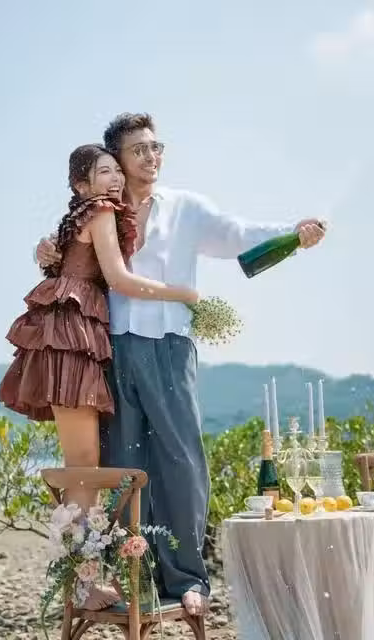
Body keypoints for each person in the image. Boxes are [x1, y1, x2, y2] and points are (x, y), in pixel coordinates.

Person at [35, 113, 326, 615]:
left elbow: (237, 233)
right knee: (124, 463)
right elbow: (66, 255)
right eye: (139, 149)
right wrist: (42, 251)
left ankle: (189, 578)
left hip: (170, 345)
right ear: (117, 160)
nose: (151, 156)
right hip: (110, 348)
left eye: (156, 147)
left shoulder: (186, 207)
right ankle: (134, 574)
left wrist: (293, 233)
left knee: (182, 458)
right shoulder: (102, 207)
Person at [0, 143, 198, 609]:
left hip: (68, 337)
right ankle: (84, 583)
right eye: (104, 172)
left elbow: (62, 261)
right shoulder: (102, 212)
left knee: (83, 465)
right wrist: (180, 293)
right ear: (81, 185)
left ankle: (84, 579)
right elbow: (120, 279)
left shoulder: (81, 215)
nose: (114, 179)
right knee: (84, 466)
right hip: (72, 340)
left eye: (115, 171)